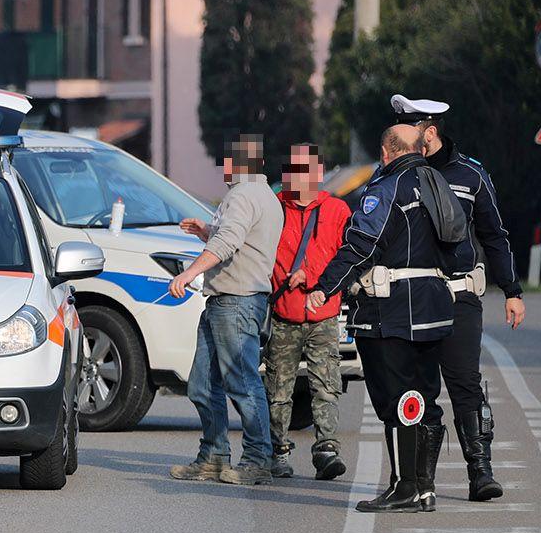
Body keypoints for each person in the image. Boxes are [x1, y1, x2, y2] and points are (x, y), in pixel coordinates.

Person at [307, 123, 455, 512]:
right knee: (423, 397)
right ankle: (424, 487)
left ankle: (403, 486)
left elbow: (360, 245)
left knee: (396, 399)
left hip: (391, 311)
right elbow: (458, 242)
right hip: (433, 308)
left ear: (386, 152)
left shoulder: (387, 187)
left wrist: (325, 286)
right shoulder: (436, 182)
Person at [404, 94, 526, 501]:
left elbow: (494, 234)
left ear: (429, 132)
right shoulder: (397, 175)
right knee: (419, 386)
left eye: (409, 129)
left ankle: (480, 473)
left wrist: (512, 291)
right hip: (414, 298)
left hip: (459, 297)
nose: (400, 136)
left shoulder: (471, 175)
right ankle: (421, 481)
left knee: (464, 383)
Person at [166, 135, 285, 486]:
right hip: (227, 301)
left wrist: (190, 272)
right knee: (202, 384)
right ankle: (214, 456)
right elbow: (238, 239)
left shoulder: (244, 195)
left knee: (242, 383)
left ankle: (258, 458)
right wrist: (208, 231)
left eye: (226, 164)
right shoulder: (262, 195)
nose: (223, 171)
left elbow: (229, 241)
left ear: (236, 164)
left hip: (237, 301)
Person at [264, 144, 352, 480]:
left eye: (304, 168)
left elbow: (346, 257)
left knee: (326, 385)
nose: (296, 175)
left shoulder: (338, 210)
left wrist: (311, 276)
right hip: (284, 314)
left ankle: (326, 449)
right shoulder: (274, 210)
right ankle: (279, 451)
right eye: (291, 168)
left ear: (318, 172)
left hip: (323, 314)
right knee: (278, 389)